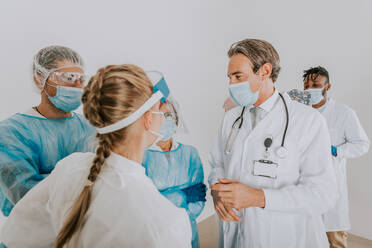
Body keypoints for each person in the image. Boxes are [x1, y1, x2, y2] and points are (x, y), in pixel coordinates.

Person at [1, 65, 192, 247]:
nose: (165, 116)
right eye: (161, 109)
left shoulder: (70, 168)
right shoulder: (167, 223)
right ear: (149, 119)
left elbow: (15, 237)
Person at [209, 38, 338, 247]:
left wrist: (259, 198)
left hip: (286, 235)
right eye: (229, 77)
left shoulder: (308, 121)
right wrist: (216, 190)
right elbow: (217, 164)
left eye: (238, 76)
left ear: (265, 71)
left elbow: (322, 195)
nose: (231, 84)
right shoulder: (231, 118)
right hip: (236, 232)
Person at [0, 45, 95, 217]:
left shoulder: (89, 127)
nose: (77, 85)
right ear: (39, 79)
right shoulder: (10, 132)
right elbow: (26, 196)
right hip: (30, 238)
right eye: (69, 77)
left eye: (81, 78)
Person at [303, 66, 370, 248]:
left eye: (316, 85)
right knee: (306, 238)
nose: (310, 89)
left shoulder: (344, 113)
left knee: (335, 240)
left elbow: (362, 144)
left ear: (328, 86)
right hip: (303, 187)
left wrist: (336, 151)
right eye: (306, 85)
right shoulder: (299, 112)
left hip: (332, 188)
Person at [142, 98, 206, 248]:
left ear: (177, 121)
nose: (165, 120)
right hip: (155, 235)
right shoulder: (141, 156)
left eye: (169, 115)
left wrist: (163, 196)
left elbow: (198, 197)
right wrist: (182, 195)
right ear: (150, 120)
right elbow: (144, 204)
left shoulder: (190, 153)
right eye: (160, 115)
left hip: (187, 232)